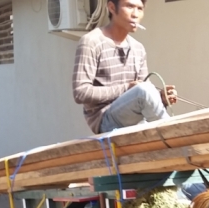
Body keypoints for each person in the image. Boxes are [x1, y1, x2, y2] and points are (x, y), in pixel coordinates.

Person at [72, 0, 177, 134]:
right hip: (105, 119)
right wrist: (126, 88)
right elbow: (80, 93)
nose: (135, 14)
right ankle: (176, 136)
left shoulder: (138, 48)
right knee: (144, 90)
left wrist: (161, 98)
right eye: (129, 6)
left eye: (140, 9)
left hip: (135, 118)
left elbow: (141, 91)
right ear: (111, 7)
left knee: (146, 89)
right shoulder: (91, 42)